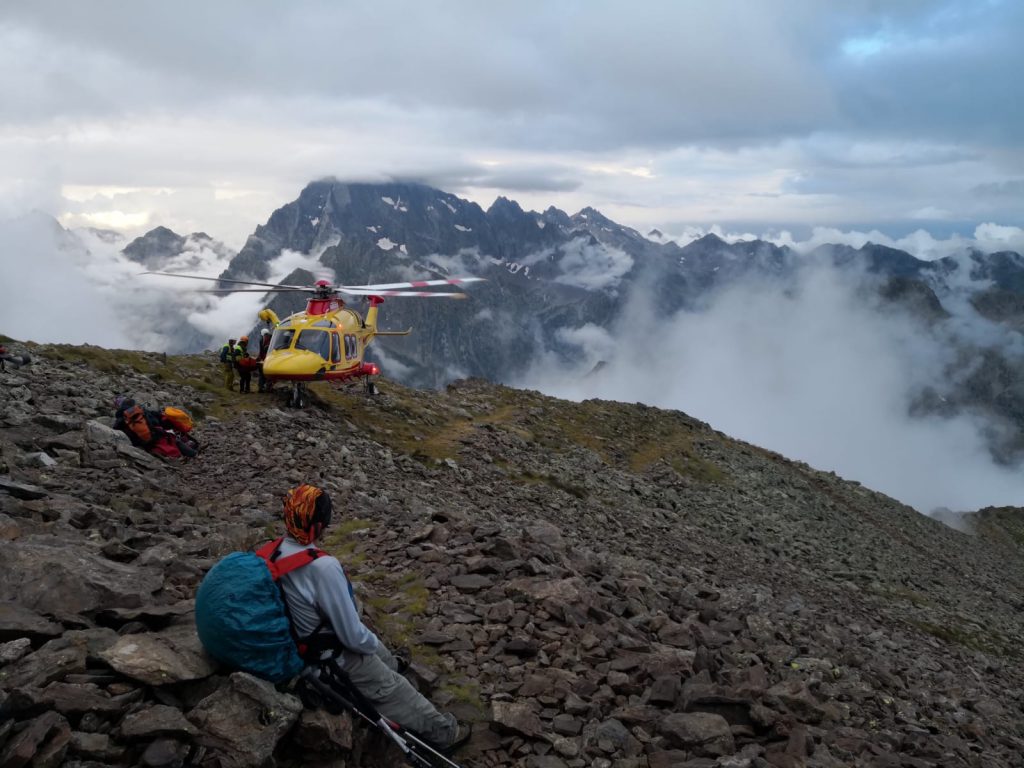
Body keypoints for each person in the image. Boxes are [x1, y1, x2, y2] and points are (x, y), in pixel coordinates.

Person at [275, 485, 471, 751]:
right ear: (319, 523)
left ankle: (395, 667)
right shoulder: (322, 566)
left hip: (303, 641)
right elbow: (353, 638)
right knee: (388, 681)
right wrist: (370, 653)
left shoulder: (276, 551)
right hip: (331, 657)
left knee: (377, 648)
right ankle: (446, 733)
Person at [257, 328, 273, 392]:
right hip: (270, 359)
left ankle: (261, 387)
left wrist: (260, 359)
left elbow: (261, 351)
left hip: (264, 359)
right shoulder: (272, 338)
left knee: (262, 374)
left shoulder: (262, 340)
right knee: (269, 374)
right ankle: (268, 387)